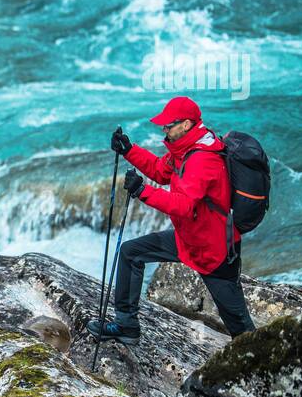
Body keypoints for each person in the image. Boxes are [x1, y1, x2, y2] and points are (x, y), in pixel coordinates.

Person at [87, 95, 255, 343]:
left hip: (214, 250)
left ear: (186, 124)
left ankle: (259, 361)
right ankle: (126, 326)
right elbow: (161, 171)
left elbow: (184, 206)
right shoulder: (184, 148)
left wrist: (142, 191)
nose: (163, 129)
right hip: (188, 239)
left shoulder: (202, 158)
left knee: (240, 329)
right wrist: (129, 150)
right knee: (131, 253)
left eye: (168, 125)